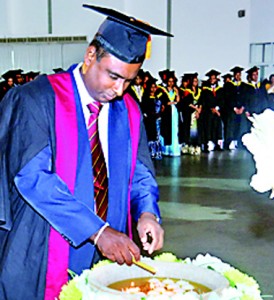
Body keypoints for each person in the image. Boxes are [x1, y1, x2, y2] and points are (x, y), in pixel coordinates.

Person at [0, 5, 172, 300]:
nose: (119, 89)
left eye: (129, 81)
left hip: (111, 247)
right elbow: (32, 177)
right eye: (113, 76)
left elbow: (140, 172)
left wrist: (147, 213)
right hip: (45, 245)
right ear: (90, 56)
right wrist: (97, 231)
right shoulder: (36, 99)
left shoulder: (127, 109)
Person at [199, 69, 224, 152]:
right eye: (211, 78)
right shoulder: (205, 90)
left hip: (217, 112)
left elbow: (222, 100)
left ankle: (218, 144)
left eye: (214, 78)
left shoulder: (220, 89)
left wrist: (216, 108)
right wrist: (211, 108)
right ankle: (208, 144)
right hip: (208, 112)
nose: (213, 80)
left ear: (216, 79)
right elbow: (204, 101)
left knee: (218, 127)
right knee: (208, 127)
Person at [158, 71, 181, 156]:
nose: (171, 83)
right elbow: (163, 101)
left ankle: (173, 149)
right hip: (167, 111)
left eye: (172, 81)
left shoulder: (175, 90)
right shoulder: (162, 90)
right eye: (169, 81)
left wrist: (177, 93)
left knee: (174, 129)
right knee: (166, 129)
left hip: (174, 111)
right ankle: (166, 150)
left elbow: (178, 101)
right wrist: (169, 103)